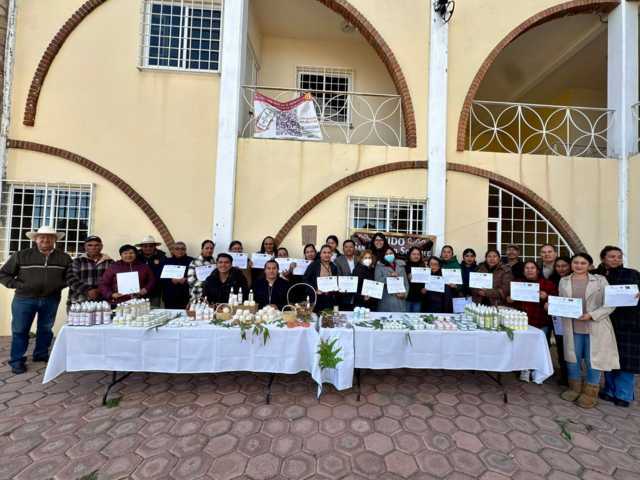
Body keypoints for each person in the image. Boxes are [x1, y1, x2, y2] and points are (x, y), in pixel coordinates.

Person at [0, 226, 72, 374]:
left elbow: (70, 277)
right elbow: (4, 274)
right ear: (35, 239)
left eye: (49, 237)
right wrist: (19, 285)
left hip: (51, 298)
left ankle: (40, 354)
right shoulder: (21, 255)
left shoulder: (64, 258)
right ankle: (17, 360)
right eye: (42, 237)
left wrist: (58, 285)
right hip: (24, 299)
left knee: (45, 329)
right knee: (20, 330)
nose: (45, 240)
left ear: (55, 240)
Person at [559, 252, 619, 408]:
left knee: (593, 360)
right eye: (576, 262)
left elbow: (610, 303)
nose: (579, 265)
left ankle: (590, 392)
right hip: (572, 326)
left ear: (589, 265)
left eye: (583, 263)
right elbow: (562, 302)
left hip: (595, 326)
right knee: (572, 358)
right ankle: (574, 388)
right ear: (571, 264)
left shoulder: (600, 280)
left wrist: (592, 315)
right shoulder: (564, 281)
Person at [596, 246, 640, 407]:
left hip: (629, 322)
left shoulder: (632, 274)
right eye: (612, 256)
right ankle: (609, 390)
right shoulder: (597, 275)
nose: (616, 259)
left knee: (626, 359)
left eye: (619, 256)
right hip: (606, 321)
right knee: (608, 357)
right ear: (603, 258)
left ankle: (623, 394)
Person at [510, 261, 557, 383]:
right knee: (522, 346)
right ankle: (524, 369)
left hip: (540, 321)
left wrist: (546, 297)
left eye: (532, 268)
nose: (529, 270)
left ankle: (538, 371)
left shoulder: (547, 284)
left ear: (537, 270)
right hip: (522, 322)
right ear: (523, 271)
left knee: (539, 348)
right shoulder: (518, 283)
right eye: (527, 268)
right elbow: (511, 301)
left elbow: (556, 302)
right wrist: (510, 299)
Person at [67, 235, 113, 305]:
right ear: (85, 247)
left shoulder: (110, 262)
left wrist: (100, 290)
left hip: (103, 302)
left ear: (101, 247)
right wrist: (88, 290)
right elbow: (71, 279)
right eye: (90, 245)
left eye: (96, 245)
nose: (93, 247)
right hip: (79, 302)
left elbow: (114, 280)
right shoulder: (77, 261)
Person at [550, 256, 572, 385]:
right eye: (558, 266)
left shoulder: (573, 279)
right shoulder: (552, 279)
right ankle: (564, 375)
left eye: (564, 266)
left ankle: (573, 376)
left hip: (574, 318)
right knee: (561, 345)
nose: (561, 269)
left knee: (572, 347)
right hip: (557, 318)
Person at [304, 244, 339, 312]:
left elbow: (335, 282)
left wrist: (336, 288)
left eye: (329, 253)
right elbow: (305, 280)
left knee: (328, 316)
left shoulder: (334, 267)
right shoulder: (314, 265)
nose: (327, 255)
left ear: (331, 254)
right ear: (320, 254)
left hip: (329, 299)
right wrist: (315, 289)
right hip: (316, 299)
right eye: (324, 252)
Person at [161, 241, 193, 309]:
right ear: (173, 250)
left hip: (186, 296)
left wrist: (186, 279)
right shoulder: (166, 261)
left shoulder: (191, 261)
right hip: (170, 296)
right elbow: (160, 277)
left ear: (185, 250)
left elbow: (196, 276)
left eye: (182, 249)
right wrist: (170, 280)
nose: (180, 251)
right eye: (177, 249)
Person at [375, 247, 408, 312]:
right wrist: (389, 277)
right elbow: (377, 281)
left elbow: (406, 283)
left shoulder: (401, 265)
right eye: (386, 254)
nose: (389, 255)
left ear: (394, 254)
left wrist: (405, 294)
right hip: (386, 301)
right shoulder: (379, 266)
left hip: (400, 301)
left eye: (391, 253)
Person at [136, 235, 166, 307]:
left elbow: (164, 273)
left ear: (155, 247)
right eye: (145, 246)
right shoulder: (136, 257)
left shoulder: (161, 257)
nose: (148, 248)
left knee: (154, 310)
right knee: (139, 310)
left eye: (151, 246)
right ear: (141, 247)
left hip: (155, 291)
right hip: (139, 291)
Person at [335, 240, 359, 311]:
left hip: (357, 294)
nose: (349, 249)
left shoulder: (359, 259)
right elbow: (337, 276)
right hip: (343, 294)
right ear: (343, 249)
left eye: (351, 247)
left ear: (354, 248)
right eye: (346, 247)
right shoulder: (338, 260)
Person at [405, 247, 426, 313]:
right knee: (405, 316)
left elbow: (426, 282)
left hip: (418, 298)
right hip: (406, 298)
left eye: (418, 254)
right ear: (409, 255)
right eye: (413, 254)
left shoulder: (424, 267)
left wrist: (425, 288)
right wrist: (407, 277)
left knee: (416, 317)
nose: (416, 256)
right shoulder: (404, 266)